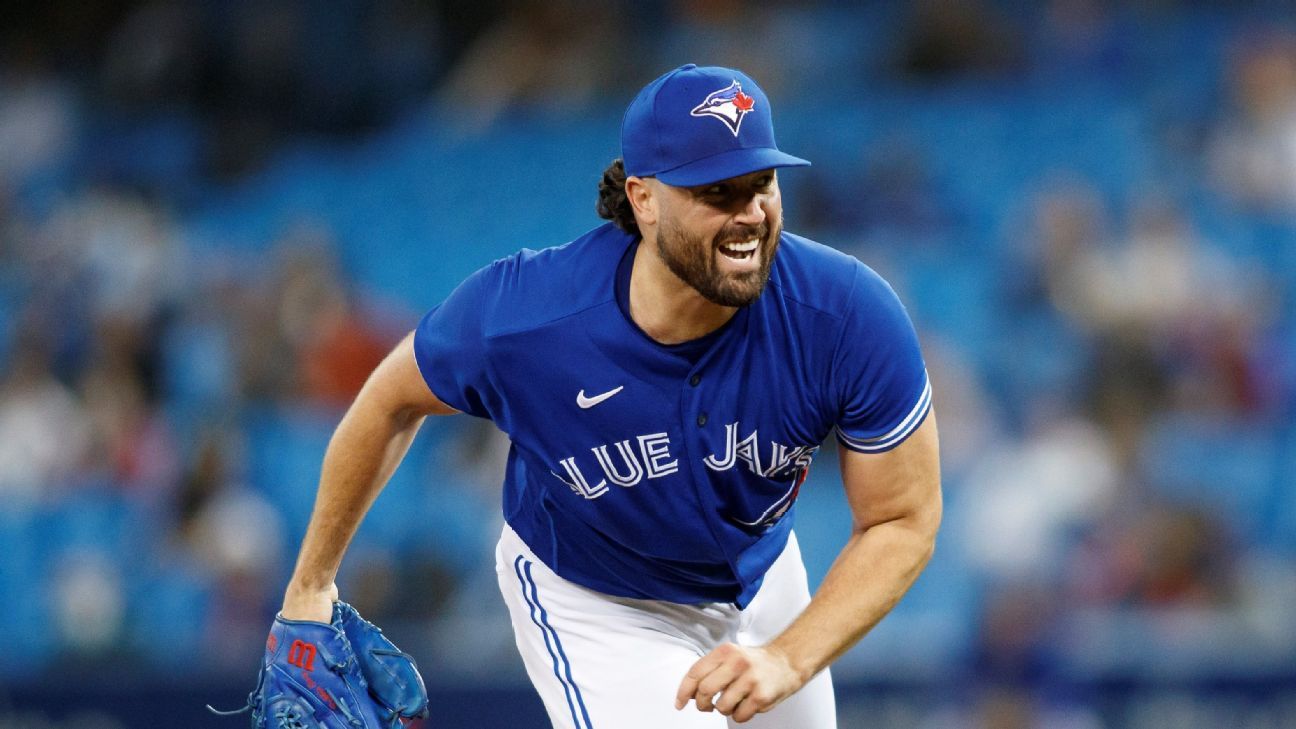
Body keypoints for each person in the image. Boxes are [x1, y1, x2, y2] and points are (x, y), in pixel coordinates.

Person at [278, 63, 942, 727]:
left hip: (763, 575)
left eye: (761, 183)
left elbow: (902, 518)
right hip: (599, 601)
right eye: (717, 191)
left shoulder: (845, 314)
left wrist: (789, 657)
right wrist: (310, 587)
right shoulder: (529, 315)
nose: (749, 214)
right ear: (644, 199)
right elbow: (391, 400)